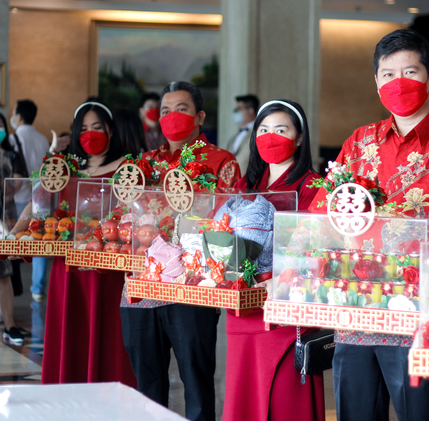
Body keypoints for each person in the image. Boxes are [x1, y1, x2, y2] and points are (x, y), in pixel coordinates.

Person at [309, 29, 429, 421]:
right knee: (354, 412)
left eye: (410, 71)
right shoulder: (359, 143)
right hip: (355, 308)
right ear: (376, 81)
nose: (399, 82)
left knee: (420, 415)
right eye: (388, 74)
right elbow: (325, 218)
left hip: (421, 318)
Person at [120, 81, 240, 421]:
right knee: (146, 383)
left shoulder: (221, 162)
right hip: (141, 287)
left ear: (200, 116)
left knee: (196, 382)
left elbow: (226, 222)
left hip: (191, 289)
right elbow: (122, 214)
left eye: (182, 109)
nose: (172, 116)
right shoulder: (145, 163)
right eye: (166, 110)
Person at [225, 99, 324, 421]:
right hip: (243, 307)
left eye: (281, 130)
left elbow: (319, 250)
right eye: (263, 130)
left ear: (299, 137)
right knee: (244, 394)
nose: (270, 136)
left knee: (284, 400)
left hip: (285, 311)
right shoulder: (246, 186)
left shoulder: (314, 188)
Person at [40, 101, 135, 386]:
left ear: (110, 129)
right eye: (83, 129)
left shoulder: (128, 168)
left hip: (108, 269)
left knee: (108, 334)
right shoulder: (65, 168)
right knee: (71, 331)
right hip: (69, 269)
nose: (90, 134)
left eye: (97, 127)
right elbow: (40, 205)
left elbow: (136, 212)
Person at [0, 112, 27, 344]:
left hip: (5, 216)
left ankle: (9, 324)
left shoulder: (10, 155)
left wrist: (0, 192)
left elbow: (16, 183)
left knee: (4, 271)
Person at [9, 99, 49, 302]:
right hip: (41, 196)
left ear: (19, 116)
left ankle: (11, 284)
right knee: (40, 237)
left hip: (19, 196)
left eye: (14, 112)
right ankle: (37, 287)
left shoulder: (13, 138)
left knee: (15, 238)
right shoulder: (43, 139)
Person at [228, 94, 259, 175]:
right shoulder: (235, 136)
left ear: (250, 111)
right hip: (232, 182)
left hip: (250, 182)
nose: (235, 112)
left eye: (238, 109)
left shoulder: (259, 132)